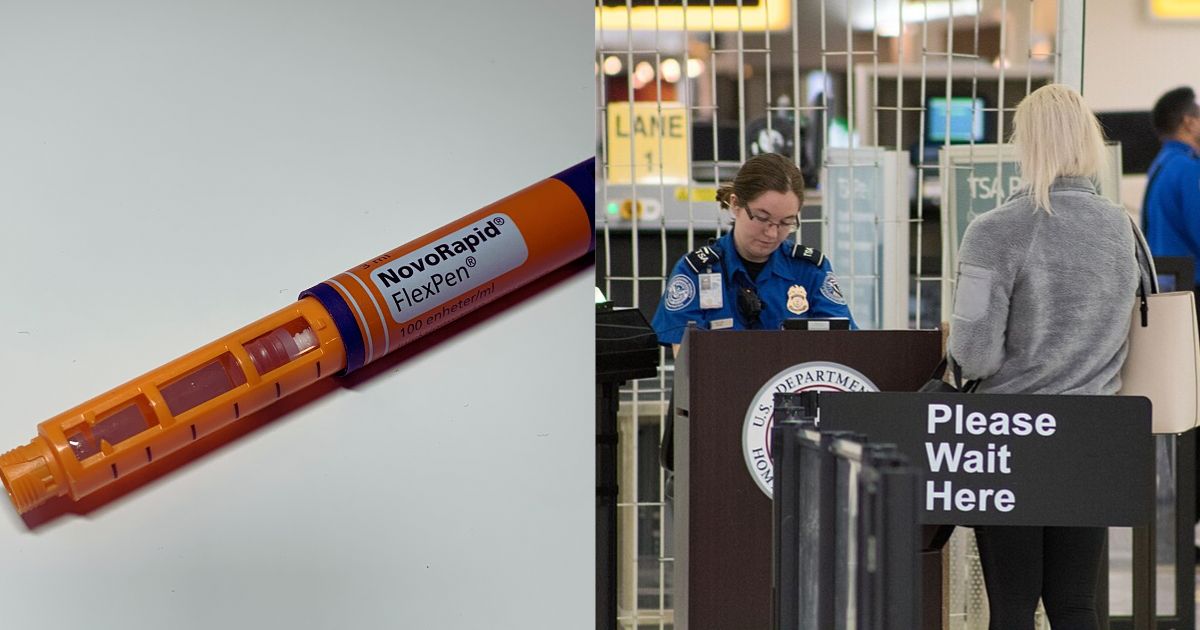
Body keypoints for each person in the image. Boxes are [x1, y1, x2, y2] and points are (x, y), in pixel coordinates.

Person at [948, 84, 1151, 630]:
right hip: (1093, 434)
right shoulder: (1122, 228)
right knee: (1076, 605)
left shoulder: (993, 232)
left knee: (1012, 606)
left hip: (1011, 435)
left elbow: (973, 354)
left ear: (1026, 143)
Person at [651, 152, 857, 470]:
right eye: (762, 218)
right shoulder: (696, 271)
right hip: (716, 433)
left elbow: (842, 348)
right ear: (735, 205)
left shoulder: (810, 271)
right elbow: (688, 363)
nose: (772, 233)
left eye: (787, 222)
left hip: (793, 438)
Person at [1143, 86, 1200, 287]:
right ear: (1189, 122)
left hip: (1167, 282)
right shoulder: (1188, 168)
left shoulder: (1160, 164)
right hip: (1192, 283)